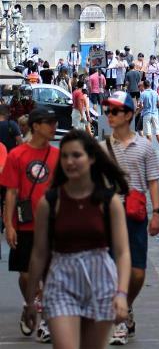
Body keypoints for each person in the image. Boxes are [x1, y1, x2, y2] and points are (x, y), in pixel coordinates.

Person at [23, 130, 131, 348]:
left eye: (76, 155)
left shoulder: (109, 202)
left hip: (100, 280)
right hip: (61, 280)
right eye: (64, 156)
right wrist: (30, 301)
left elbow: (122, 252)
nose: (69, 162)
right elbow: (39, 253)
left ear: (91, 158)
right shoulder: (50, 202)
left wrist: (121, 293)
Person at [101, 91, 159, 345]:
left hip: (134, 214)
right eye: (108, 111)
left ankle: (126, 305)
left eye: (115, 111)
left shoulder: (145, 146)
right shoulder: (102, 147)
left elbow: (153, 182)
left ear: (129, 114)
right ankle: (119, 318)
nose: (110, 116)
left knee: (137, 272)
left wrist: (157, 213)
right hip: (107, 214)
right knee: (111, 269)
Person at [0, 108, 60, 341]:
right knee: (26, 275)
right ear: (36, 126)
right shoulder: (17, 155)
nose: (54, 127)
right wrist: (8, 224)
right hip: (24, 224)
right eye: (50, 122)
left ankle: (44, 317)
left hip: (50, 225)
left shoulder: (57, 156)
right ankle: (30, 303)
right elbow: (11, 193)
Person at [139, 80, 159, 155]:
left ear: (144, 86)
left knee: (148, 133)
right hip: (155, 114)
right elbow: (158, 104)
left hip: (146, 114)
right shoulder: (155, 93)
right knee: (157, 131)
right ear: (150, 85)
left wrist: (138, 109)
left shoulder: (143, 93)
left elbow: (141, 105)